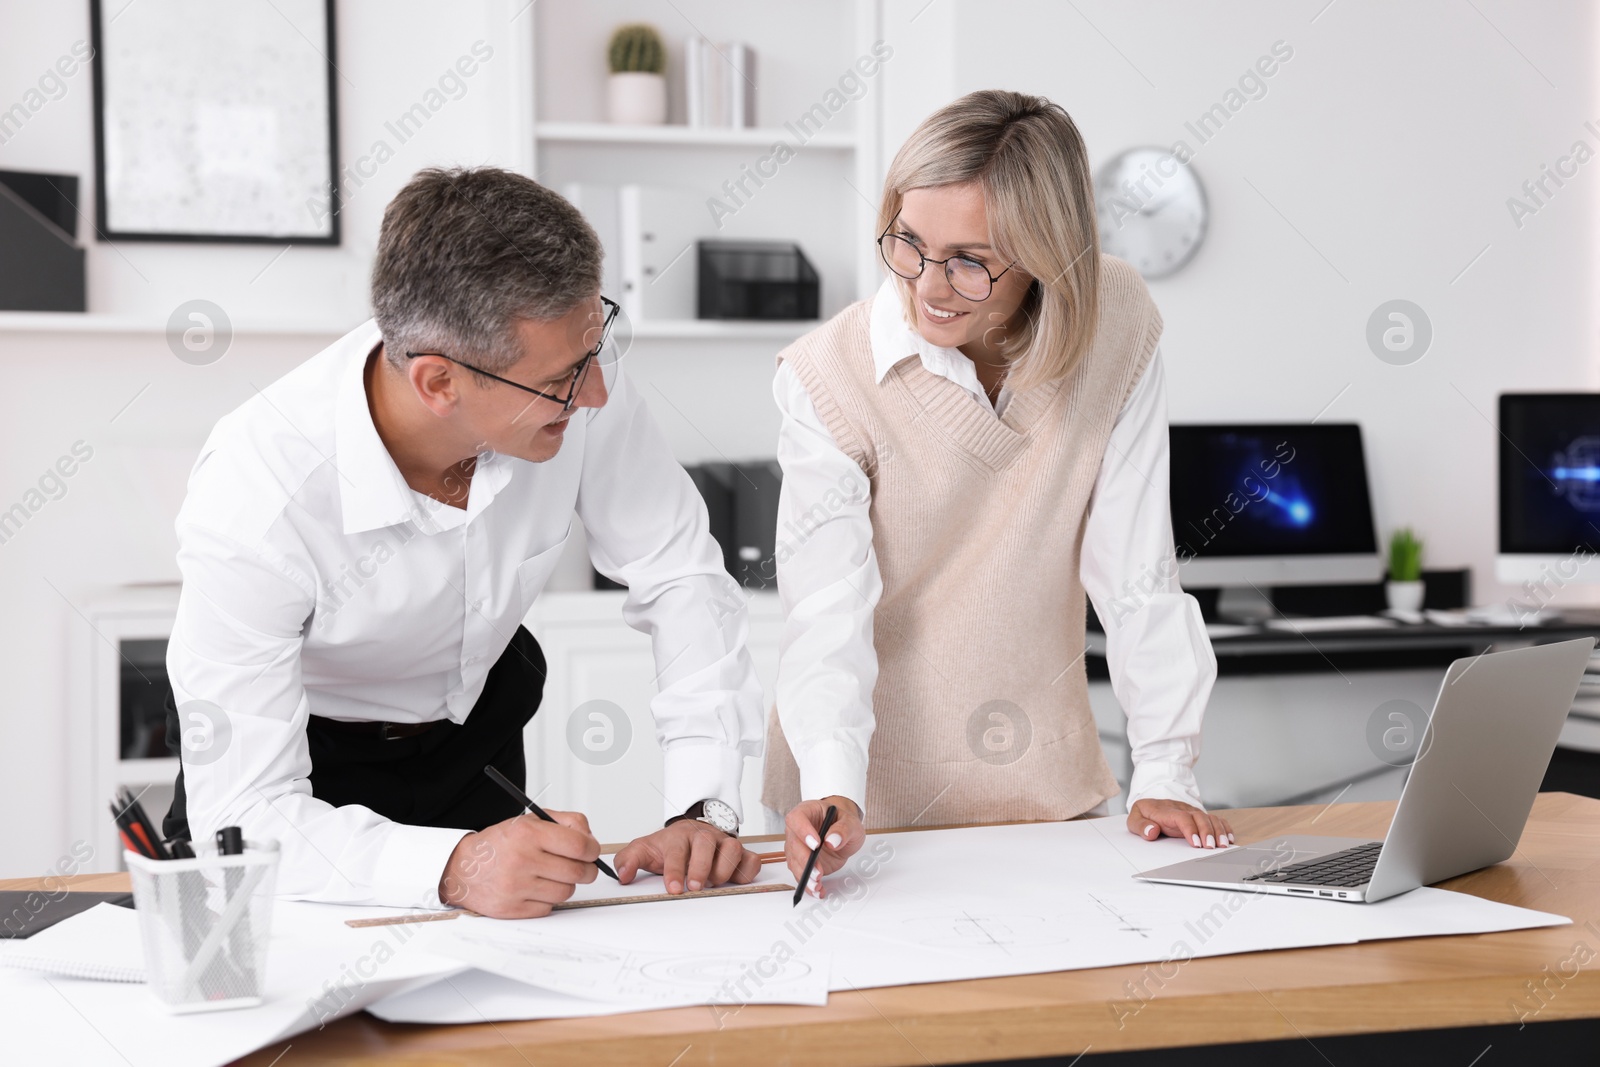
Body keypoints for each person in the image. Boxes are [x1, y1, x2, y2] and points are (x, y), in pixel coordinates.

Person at [162, 167, 764, 918]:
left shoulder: (571, 377)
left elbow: (681, 578)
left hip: (474, 742)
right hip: (300, 780)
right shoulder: (259, 489)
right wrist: (450, 865)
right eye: (565, 381)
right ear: (439, 382)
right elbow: (243, 812)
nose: (598, 396)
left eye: (597, 350)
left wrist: (700, 806)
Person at [763, 90, 1233, 895]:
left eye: (973, 260)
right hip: (867, 808)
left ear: (1050, 256)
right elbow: (826, 612)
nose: (929, 285)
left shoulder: (1116, 325)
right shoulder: (826, 376)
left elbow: (1138, 574)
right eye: (908, 242)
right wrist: (834, 782)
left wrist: (1167, 769)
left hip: (1049, 798)